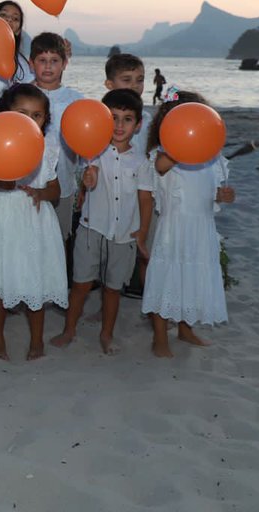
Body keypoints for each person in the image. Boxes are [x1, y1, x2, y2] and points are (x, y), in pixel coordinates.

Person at [0, 84, 66, 360]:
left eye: (37, 115)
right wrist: (1, 177)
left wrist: (41, 192)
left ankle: (37, 341)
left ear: (45, 119)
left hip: (34, 222)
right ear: (5, 113)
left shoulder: (46, 150)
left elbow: (55, 189)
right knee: (0, 280)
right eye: (22, 112)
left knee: (35, 281)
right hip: (2, 220)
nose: (29, 120)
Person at [51, 89, 152, 354]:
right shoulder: (93, 152)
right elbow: (90, 175)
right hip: (90, 229)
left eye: (127, 119)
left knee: (112, 289)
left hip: (124, 235)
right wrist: (88, 180)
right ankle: (69, 329)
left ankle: (107, 334)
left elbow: (145, 200)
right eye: (113, 118)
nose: (119, 125)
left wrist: (141, 233)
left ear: (138, 124)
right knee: (81, 284)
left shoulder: (142, 162)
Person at [142, 91, 236, 358]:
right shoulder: (164, 156)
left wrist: (223, 195)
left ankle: (185, 328)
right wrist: (179, 145)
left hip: (201, 230)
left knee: (192, 281)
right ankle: (160, 337)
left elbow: (211, 192)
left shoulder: (211, 157)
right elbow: (160, 167)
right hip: (174, 230)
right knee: (167, 280)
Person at [29, 32, 83, 245]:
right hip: (28, 184)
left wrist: (86, 175)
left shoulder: (76, 100)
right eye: (42, 61)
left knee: (59, 243)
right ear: (32, 63)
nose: (48, 67)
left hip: (63, 183)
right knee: (29, 241)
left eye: (54, 61)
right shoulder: (22, 95)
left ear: (65, 63)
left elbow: (87, 143)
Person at [105, 53, 152, 155]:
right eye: (127, 80)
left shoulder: (147, 120)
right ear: (110, 84)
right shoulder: (101, 117)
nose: (135, 85)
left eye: (140, 80)